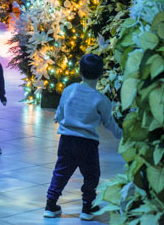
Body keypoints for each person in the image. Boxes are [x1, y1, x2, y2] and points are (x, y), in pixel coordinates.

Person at [43, 54, 122, 220]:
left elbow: (61, 110)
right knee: (91, 175)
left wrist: (59, 117)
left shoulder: (69, 90)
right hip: (87, 143)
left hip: (66, 140)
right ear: (101, 75)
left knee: (61, 172)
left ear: (79, 72)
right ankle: (87, 207)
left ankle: (51, 205)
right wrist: (122, 135)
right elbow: (109, 122)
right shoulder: (101, 99)